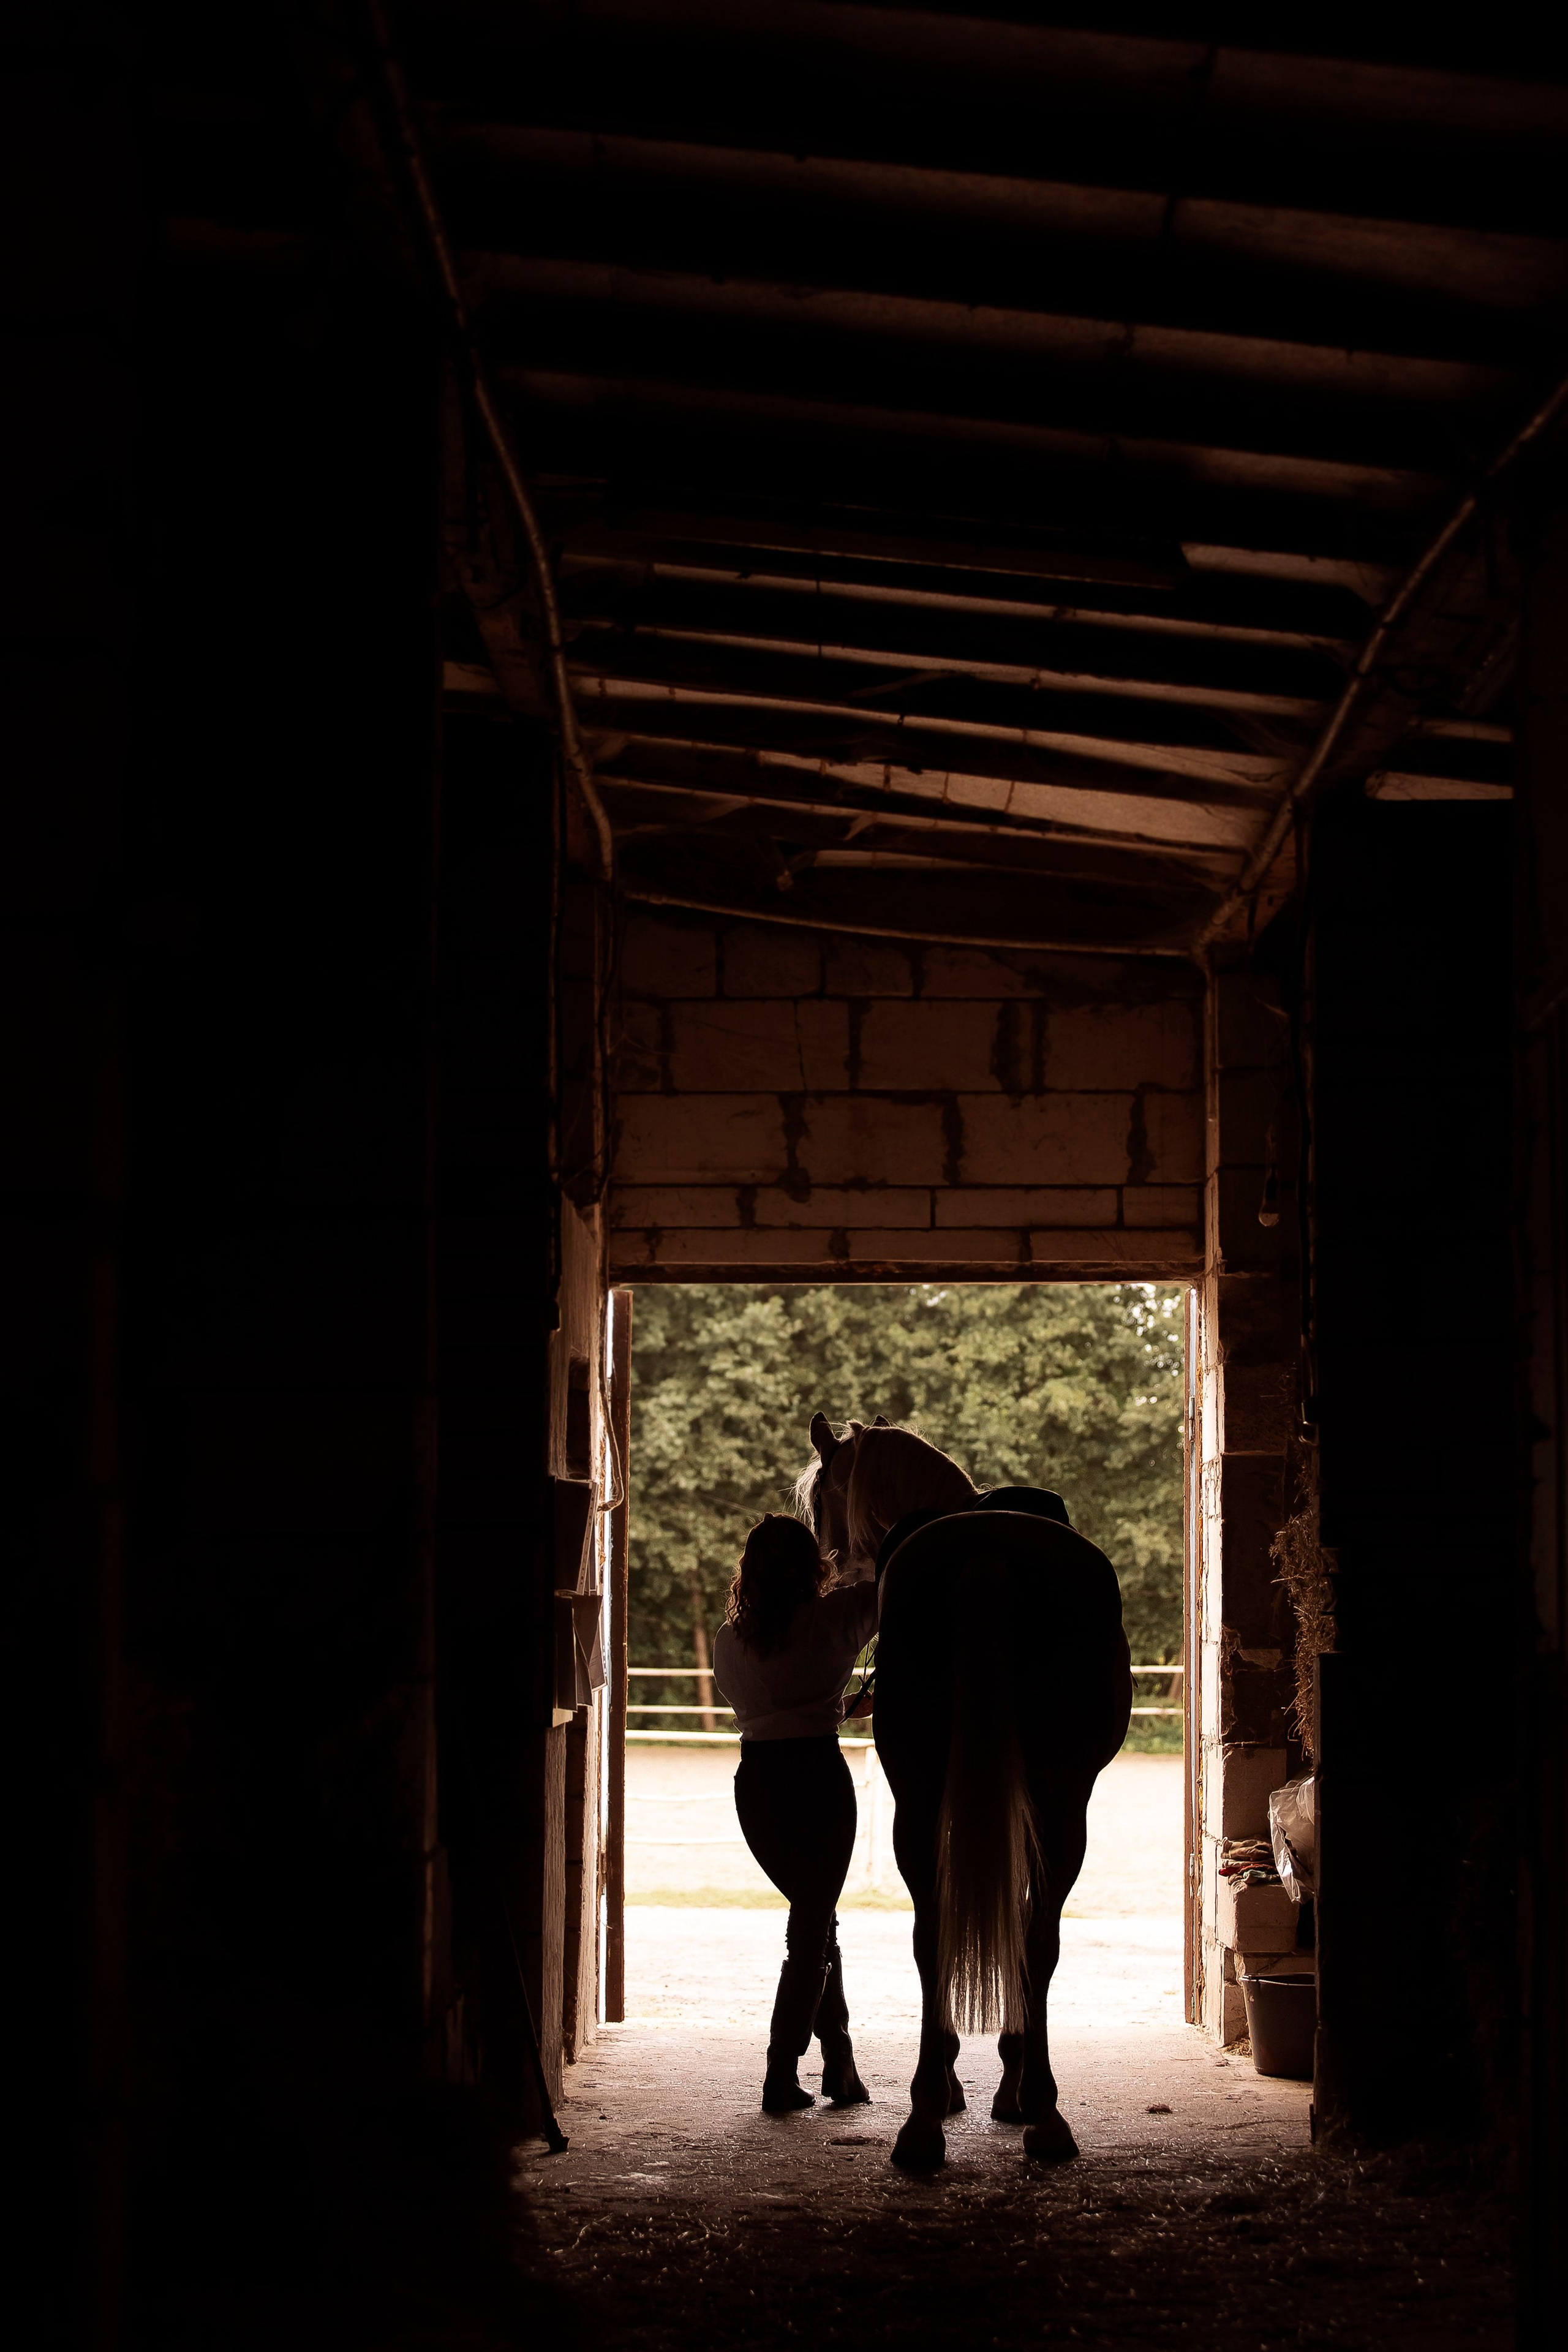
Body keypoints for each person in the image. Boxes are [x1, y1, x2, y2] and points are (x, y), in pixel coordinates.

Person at [710, 1513, 878, 2114]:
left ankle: (840, 2065)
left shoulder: (728, 1641)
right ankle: (780, 2076)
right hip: (816, 1780)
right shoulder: (834, 1619)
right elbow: (890, 1583)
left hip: (756, 1785)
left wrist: (829, 1702)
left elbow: (780, 1700)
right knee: (810, 1934)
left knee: (816, 1920)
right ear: (813, 1566)